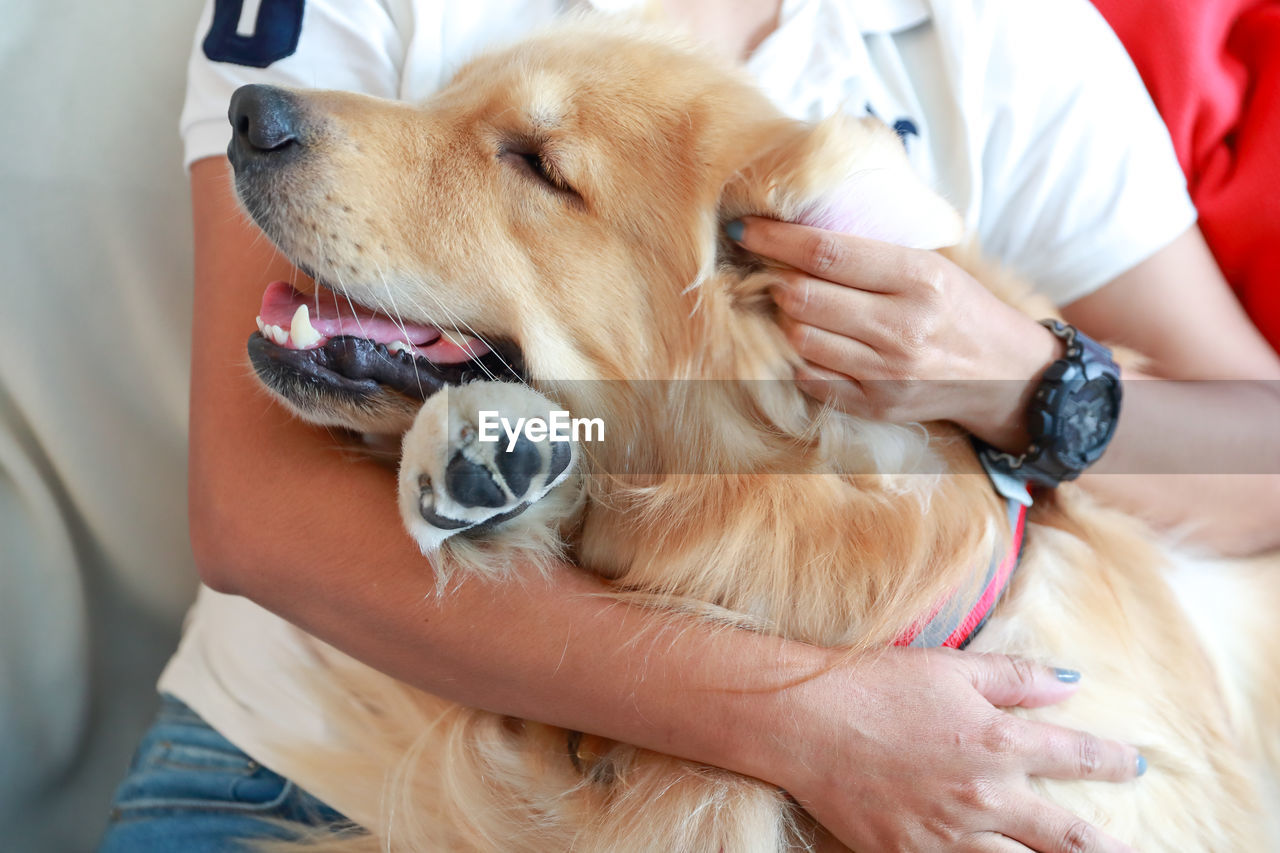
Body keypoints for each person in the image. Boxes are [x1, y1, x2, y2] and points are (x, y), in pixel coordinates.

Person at [99, 0, 1280, 851]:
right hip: (301, 759)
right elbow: (256, 517)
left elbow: (1260, 455)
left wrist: (1026, 383)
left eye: (531, 161)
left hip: (921, 737)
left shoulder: (996, 36)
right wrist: (805, 722)